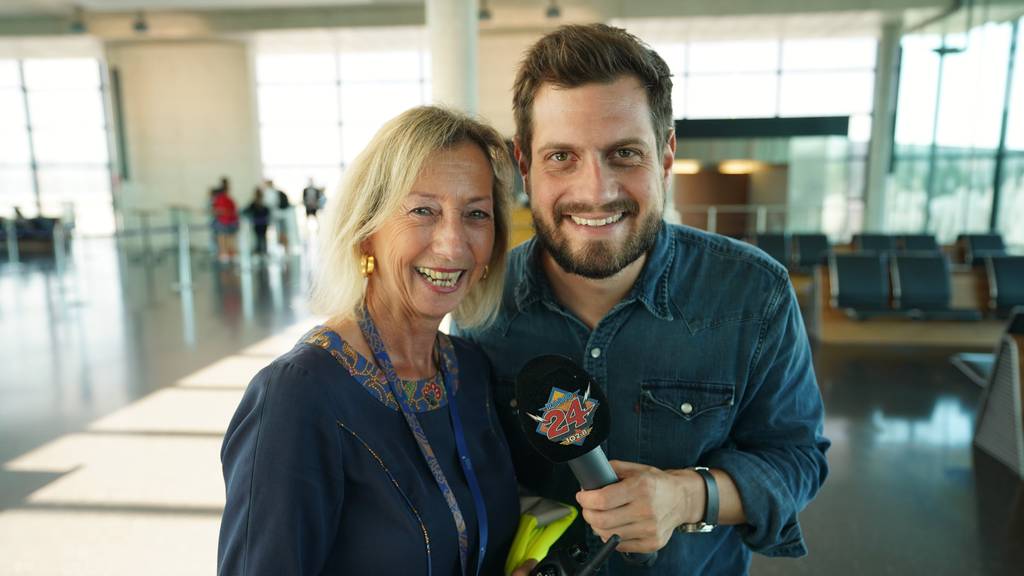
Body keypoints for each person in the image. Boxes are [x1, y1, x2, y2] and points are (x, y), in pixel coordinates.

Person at [458, 24, 829, 575]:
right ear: (525, 165)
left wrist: (686, 496)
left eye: (624, 153)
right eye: (562, 156)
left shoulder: (755, 293)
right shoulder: (480, 303)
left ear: (667, 155)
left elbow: (795, 458)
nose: (596, 191)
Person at [218, 106, 522, 575]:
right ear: (366, 233)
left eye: (476, 214)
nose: (453, 242)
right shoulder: (298, 396)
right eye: (423, 210)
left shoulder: (471, 372)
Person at [211, 181, 239, 263]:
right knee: (230, 240)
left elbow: (218, 211)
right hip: (231, 222)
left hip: (224, 222)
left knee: (222, 238)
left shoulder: (219, 200)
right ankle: (231, 254)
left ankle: (224, 254)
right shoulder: (230, 199)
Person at [242, 187, 271, 255]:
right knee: (262, 237)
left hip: (258, 223)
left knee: (259, 237)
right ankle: (263, 250)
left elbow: (245, 211)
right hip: (262, 223)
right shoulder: (262, 203)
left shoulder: (255, 203)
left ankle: (260, 250)